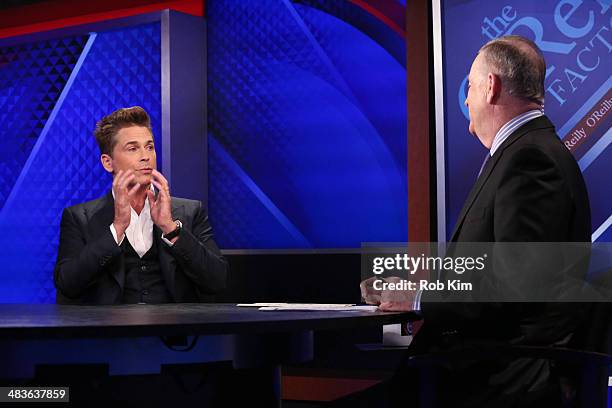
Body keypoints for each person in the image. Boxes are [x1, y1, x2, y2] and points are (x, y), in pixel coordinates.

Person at [360, 35, 591, 407]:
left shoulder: (530, 160)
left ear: (491, 86)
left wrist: (418, 297)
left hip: (494, 379)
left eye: (469, 85)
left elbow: (513, 290)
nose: (466, 99)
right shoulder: (527, 152)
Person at [54, 106, 227, 304]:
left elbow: (217, 281)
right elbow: (67, 284)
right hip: (110, 331)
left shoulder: (189, 212)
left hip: (172, 330)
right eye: (133, 148)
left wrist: (170, 228)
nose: (146, 156)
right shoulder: (79, 218)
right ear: (108, 162)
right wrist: (117, 228)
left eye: (150, 147)